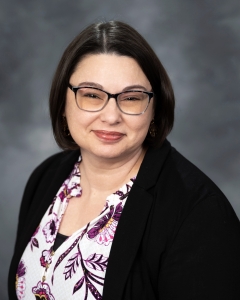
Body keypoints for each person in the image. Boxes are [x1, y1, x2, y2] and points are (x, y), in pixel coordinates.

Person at [8, 20, 240, 300]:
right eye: (92, 95)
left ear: (155, 108)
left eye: (131, 98)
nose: (111, 116)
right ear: (63, 102)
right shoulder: (46, 178)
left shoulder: (199, 213)